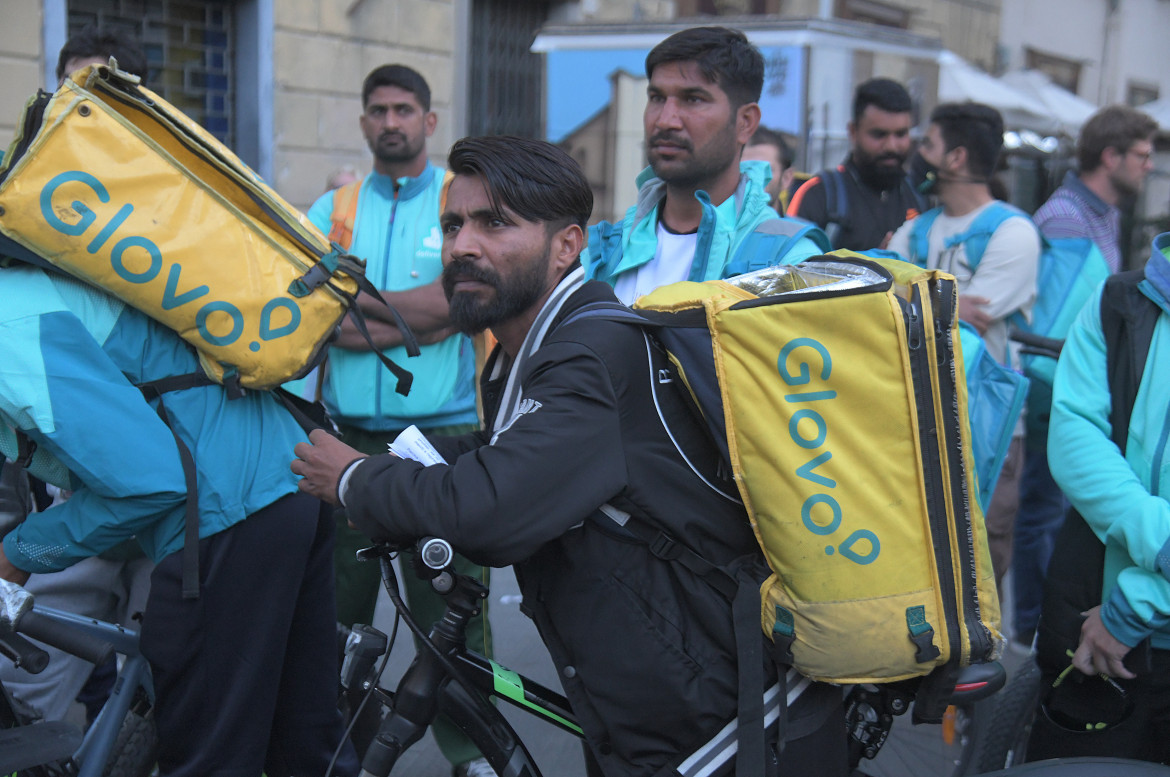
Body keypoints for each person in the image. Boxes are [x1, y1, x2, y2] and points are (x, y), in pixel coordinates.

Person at [293, 135, 847, 777]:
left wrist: (359, 478)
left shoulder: (590, 352)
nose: (462, 245)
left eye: (494, 222)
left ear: (567, 244)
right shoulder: (529, 347)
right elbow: (505, 452)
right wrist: (397, 456)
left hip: (711, 721)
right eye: (453, 224)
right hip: (643, 701)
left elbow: (494, 509)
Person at [0, 275, 357, 776]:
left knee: (209, 759)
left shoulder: (7, 327)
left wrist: (19, 554)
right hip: (285, 477)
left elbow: (149, 481)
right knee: (302, 745)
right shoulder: (22, 289)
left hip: (225, 509)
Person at [303, 63, 493, 777]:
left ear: (429, 121)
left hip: (438, 438)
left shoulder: (458, 200)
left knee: (451, 609)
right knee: (336, 611)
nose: (391, 121)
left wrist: (358, 312)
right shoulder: (333, 208)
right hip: (345, 434)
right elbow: (312, 317)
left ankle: (472, 754)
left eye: (404, 109)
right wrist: (413, 314)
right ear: (363, 121)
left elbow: (458, 303)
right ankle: (332, 747)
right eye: (378, 109)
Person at [0, 25, 157, 728]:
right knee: (36, 669)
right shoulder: (20, 185)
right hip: (70, 466)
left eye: (103, 88)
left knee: (163, 679)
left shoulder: (181, 201)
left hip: (177, 461)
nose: (82, 105)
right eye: (72, 86)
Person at [1011, 104, 1159, 648]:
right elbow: (1059, 315)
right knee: (1044, 511)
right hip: (1055, 378)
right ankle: (1029, 628)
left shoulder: (1102, 212)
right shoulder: (1068, 216)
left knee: (1059, 509)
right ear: (1110, 155)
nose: (1148, 166)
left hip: (1074, 375)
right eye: (1141, 155)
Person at [1025, 235, 1170, 763]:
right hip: (1096, 634)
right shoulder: (1118, 302)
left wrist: (1139, 602)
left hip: (1114, 621)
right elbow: (1075, 440)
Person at [887, 101, 1040, 590]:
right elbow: (880, 308)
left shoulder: (1014, 232)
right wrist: (943, 304)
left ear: (953, 158)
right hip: (908, 417)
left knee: (981, 563)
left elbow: (970, 320)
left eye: (926, 144)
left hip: (989, 424)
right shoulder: (916, 229)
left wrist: (908, 295)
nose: (917, 153)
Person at [583, 26, 829, 304]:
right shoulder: (606, 250)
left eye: (693, 99)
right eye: (657, 98)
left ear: (745, 122)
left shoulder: (788, 262)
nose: (665, 120)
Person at [787, 77, 924, 251]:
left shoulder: (919, 194)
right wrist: (874, 262)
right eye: (879, 134)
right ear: (853, 132)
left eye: (900, 134)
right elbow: (795, 268)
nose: (891, 146)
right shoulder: (819, 194)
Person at [743, 125, 795, 211]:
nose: (752, 177)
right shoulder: (715, 223)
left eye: (765, 170)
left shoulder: (804, 225)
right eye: (744, 169)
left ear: (786, 179)